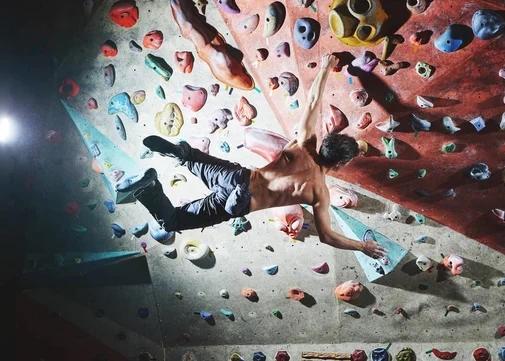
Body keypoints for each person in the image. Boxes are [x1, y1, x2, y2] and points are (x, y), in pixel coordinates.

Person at [115, 54, 388, 259]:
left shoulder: (305, 143)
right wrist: (362, 246)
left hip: (237, 175)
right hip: (239, 201)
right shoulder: (319, 193)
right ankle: (151, 187)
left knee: (192, 159)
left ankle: (180, 152)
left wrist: (327, 66)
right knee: (173, 221)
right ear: (340, 164)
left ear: (326, 141)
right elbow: (328, 237)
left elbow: (314, 101)